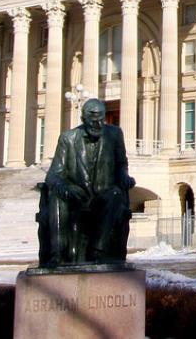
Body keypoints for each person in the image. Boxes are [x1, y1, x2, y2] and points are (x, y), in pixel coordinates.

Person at [37, 98, 135, 267]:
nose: (98, 126)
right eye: (93, 122)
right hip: (77, 196)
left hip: (103, 194)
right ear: (83, 119)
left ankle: (98, 251)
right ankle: (58, 255)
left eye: (101, 121)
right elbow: (53, 176)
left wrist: (124, 176)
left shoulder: (114, 134)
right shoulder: (68, 138)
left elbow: (121, 164)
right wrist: (67, 190)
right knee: (58, 197)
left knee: (116, 195)